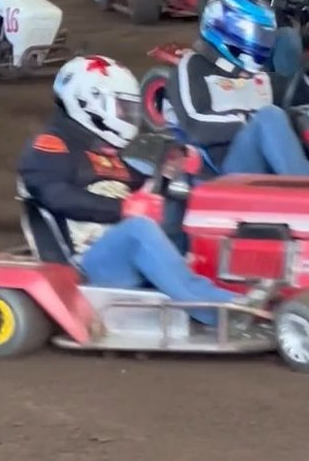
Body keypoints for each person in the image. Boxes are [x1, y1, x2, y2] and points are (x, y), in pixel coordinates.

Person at [17, 55, 267, 327]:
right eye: (122, 108)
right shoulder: (49, 146)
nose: (127, 116)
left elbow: (144, 185)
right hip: (85, 264)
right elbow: (54, 195)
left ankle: (239, 275)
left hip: (117, 248)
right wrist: (123, 209)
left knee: (190, 193)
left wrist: (172, 173)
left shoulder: (100, 152)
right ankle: (220, 309)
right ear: (88, 102)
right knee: (138, 230)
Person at [168, 0, 309, 178]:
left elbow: (297, 92)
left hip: (263, 164)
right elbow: (194, 124)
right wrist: (250, 119)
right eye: (258, 36)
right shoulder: (193, 67)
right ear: (229, 30)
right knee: (270, 117)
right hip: (222, 174)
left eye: (265, 37)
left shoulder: (255, 77)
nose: (262, 43)